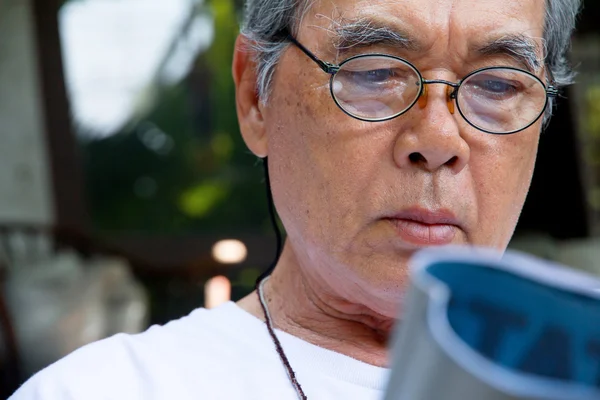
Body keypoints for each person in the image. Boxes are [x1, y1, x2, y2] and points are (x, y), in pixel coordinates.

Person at [10, 0, 582, 398]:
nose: (436, 140)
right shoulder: (106, 391)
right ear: (254, 98)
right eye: (374, 71)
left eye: (499, 85)